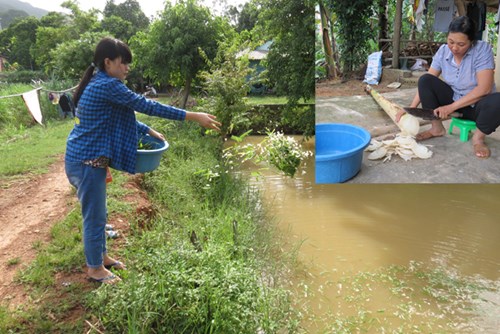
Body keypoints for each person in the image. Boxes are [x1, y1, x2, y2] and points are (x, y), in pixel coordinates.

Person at [65, 37, 221, 284]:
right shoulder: (108, 85)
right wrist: (193, 116)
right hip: (87, 162)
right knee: (94, 217)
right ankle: (94, 269)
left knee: (100, 213)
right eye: (123, 62)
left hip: (85, 159)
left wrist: (148, 131)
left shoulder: (100, 83)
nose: (127, 67)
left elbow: (122, 115)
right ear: (108, 62)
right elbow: (145, 105)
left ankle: (101, 257)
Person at [396, 16, 500, 158]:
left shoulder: (482, 50)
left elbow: (484, 89)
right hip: (454, 99)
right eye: (451, 42)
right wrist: (411, 108)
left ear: (471, 42)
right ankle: (436, 129)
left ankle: (478, 138)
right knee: (426, 79)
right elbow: (427, 82)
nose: (454, 48)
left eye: (461, 44)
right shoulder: (444, 51)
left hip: (478, 107)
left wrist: (450, 108)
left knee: (498, 100)